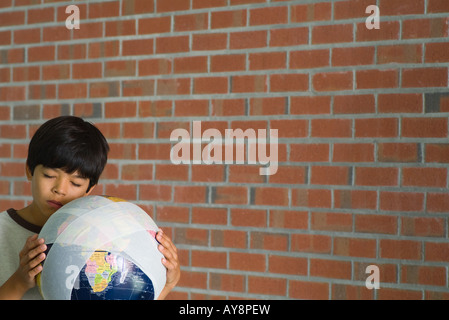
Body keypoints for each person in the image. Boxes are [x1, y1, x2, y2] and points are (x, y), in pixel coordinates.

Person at [0, 116, 180, 300]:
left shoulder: (103, 237)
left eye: (76, 183)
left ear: (89, 189)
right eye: (49, 175)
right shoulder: (2, 231)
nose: (60, 189)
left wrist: (166, 284)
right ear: (30, 170)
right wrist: (19, 281)